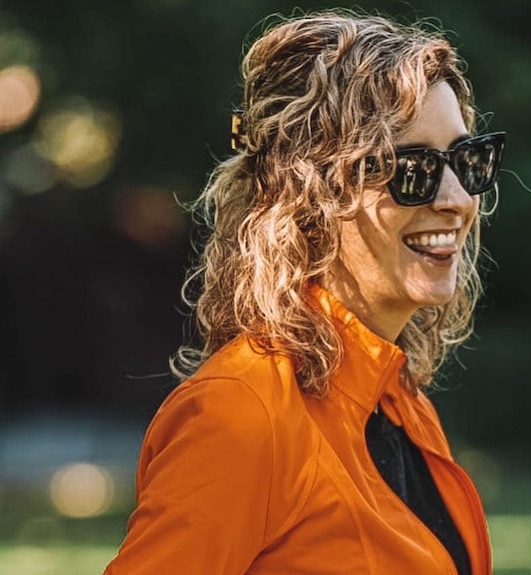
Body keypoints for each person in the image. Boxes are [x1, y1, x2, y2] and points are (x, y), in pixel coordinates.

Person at [104, 9, 505, 575]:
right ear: (308, 200)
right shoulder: (242, 413)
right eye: (411, 168)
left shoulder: (401, 404)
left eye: (468, 162)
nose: (457, 199)